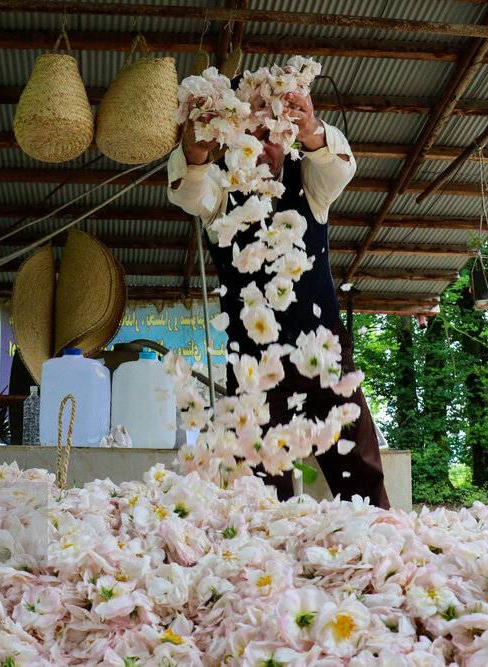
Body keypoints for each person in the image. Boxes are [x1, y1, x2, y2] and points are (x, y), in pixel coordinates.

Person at [167, 88, 390, 508]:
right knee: (260, 492)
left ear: (286, 138)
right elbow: (187, 191)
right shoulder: (219, 194)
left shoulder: (310, 182)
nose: (262, 147)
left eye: (271, 134)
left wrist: (311, 129)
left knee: (359, 470)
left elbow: (339, 169)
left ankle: (380, 546)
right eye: (250, 136)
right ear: (231, 142)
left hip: (322, 350)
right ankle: (265, 557)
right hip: (252, 364)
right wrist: (194, 153)